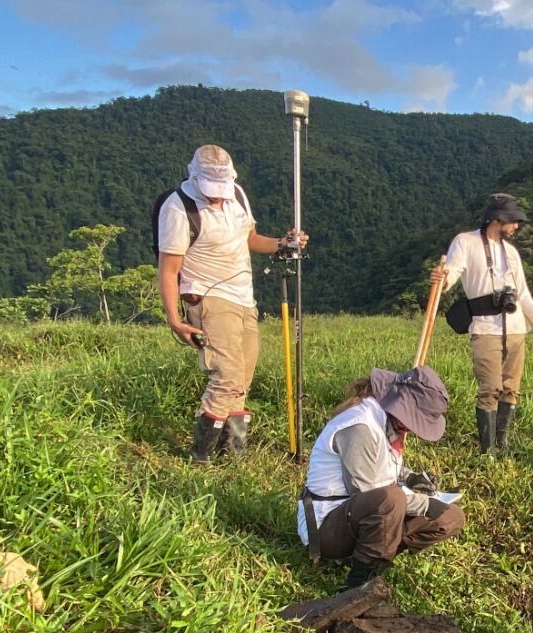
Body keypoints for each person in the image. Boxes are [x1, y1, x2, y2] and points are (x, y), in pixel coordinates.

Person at [156, 144, 307, 464]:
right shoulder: (178, 207)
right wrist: (174, 318)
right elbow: (168, 270)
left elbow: (250, 239)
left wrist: (283, 243)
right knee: (226, 376)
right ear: (194, 176)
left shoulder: (236, 195)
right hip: (208, 297)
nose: (217, 196)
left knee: (241, 380)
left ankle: (235, 457)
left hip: (244, 298)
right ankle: (201, 458)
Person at [297, 366, 466, 588]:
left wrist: (411, 477)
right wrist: (425, 504)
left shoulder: (387, 420)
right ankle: (358, 587)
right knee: (390, 501)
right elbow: (371, 492)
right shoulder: (359, 427)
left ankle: (373, 561)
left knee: (451, 517)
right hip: (326, 527)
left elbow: (381, 466)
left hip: (360, 517)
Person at [433, 194, 533, 453]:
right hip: (485, 328)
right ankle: (487, 450)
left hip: (515, 329)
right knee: (490, 388)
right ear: (498, 219)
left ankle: (502, 445)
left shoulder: (512, 252)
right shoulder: (466, 242)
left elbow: (522, 293)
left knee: (511, 389)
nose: (516, 227)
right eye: (513, 221)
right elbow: (453, 273)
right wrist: (442, 280)